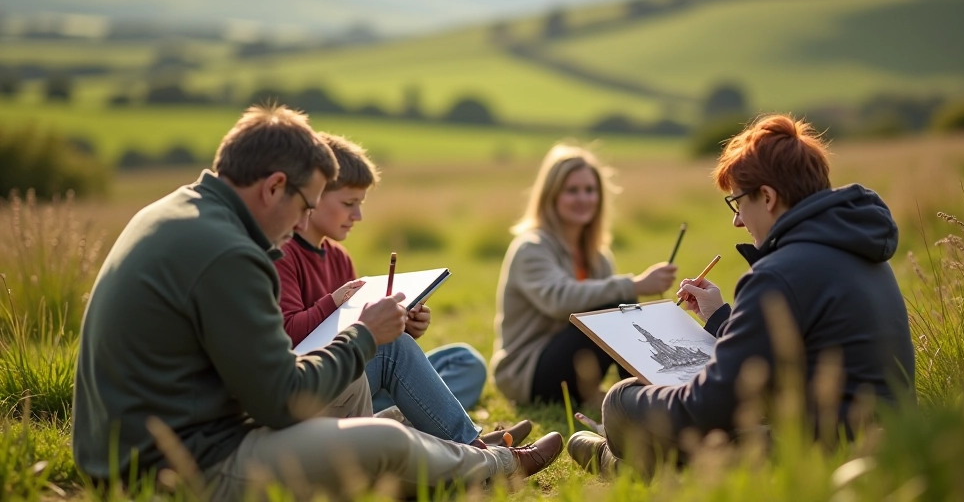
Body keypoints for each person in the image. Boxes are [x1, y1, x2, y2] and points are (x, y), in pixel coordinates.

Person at [71, 104, 563, 500]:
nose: (301, 223)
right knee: (385, 439)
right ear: (273, 187)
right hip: (175, 470)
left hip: (149, 444)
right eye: (306, 205)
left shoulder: (179, 211)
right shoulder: (228, 252)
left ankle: (444, 452)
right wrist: (364, 336)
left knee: (359, 389)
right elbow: (281, 400)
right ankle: (495, 466)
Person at [567, 114, 915, 478]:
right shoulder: (859, 250)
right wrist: (720, 318)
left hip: (820, 456)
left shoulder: (779, 273)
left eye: (737, 203)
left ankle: (618, 463)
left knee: (624, 401)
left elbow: (703, 409)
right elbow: (787, 355)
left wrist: (624, 401)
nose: (737, 221)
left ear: (767, 197)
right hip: (887, 443)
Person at [275, 132, 528, 447]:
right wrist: (334, 303)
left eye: (361, 204)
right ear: (313, 196)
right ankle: (477, 449)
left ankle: (399, 424)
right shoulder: (283, 254)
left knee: (464, 361)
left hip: (354, 385)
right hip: (314, 390)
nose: (358, 216)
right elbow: (289, 337)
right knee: (393, 352)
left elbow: (361, 339)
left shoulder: (340, 258)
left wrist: (402, 326)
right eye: (349, 203)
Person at [491, 143, 677, 406]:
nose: (583, 198)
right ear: (551, 196)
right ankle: (645, 401)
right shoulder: (531, 248)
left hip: (571, 364)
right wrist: (634, 285)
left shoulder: (598, 256)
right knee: (618, 306)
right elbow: (559, 301)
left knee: (620, 308)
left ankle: (654, 393)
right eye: (572, 190)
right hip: (527, 372)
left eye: (590, 190)